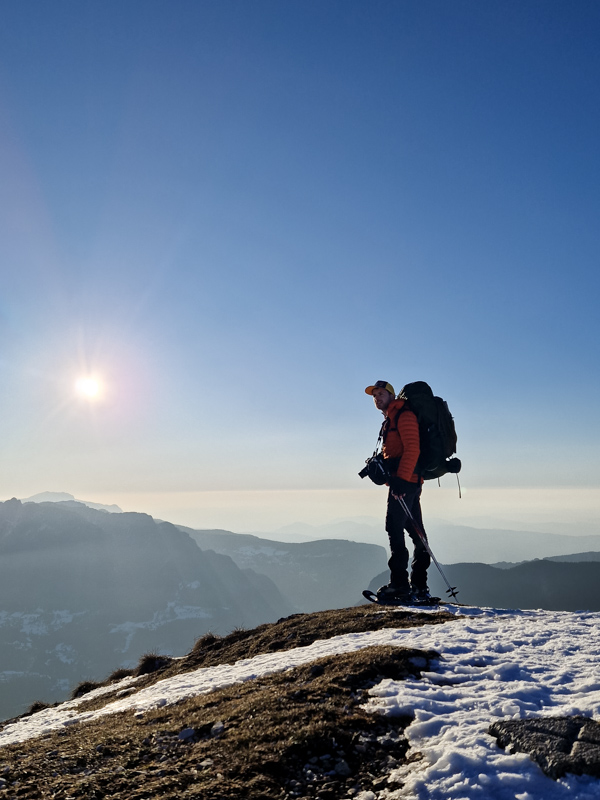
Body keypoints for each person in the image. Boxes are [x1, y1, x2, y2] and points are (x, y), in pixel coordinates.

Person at [365, 380, 432, 603]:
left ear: (392, 395)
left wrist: (401, 481)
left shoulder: (404, 416)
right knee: (415, 531)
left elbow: (413, 448)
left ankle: (400, 585)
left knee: (394, 528)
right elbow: (396, 451)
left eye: (382, 393)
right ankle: (419, 585)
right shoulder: (390, 420)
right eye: (374, 395)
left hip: (406, 484)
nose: (377, 397)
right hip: (404, 482)